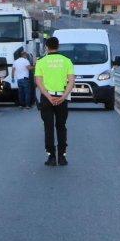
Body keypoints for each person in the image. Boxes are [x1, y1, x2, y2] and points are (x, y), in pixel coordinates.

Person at [34, 36, 74, 166]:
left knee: (48, 127)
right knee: (61, 127)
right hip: (62, 97)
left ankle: (51, 157)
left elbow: (38, 82)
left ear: (46, 46)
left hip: (47, 98)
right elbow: (71, 82)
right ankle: (62, 157)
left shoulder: (41, 61)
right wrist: (63, 96)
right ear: (58, 46)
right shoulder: (67, 61)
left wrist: (48, 96)